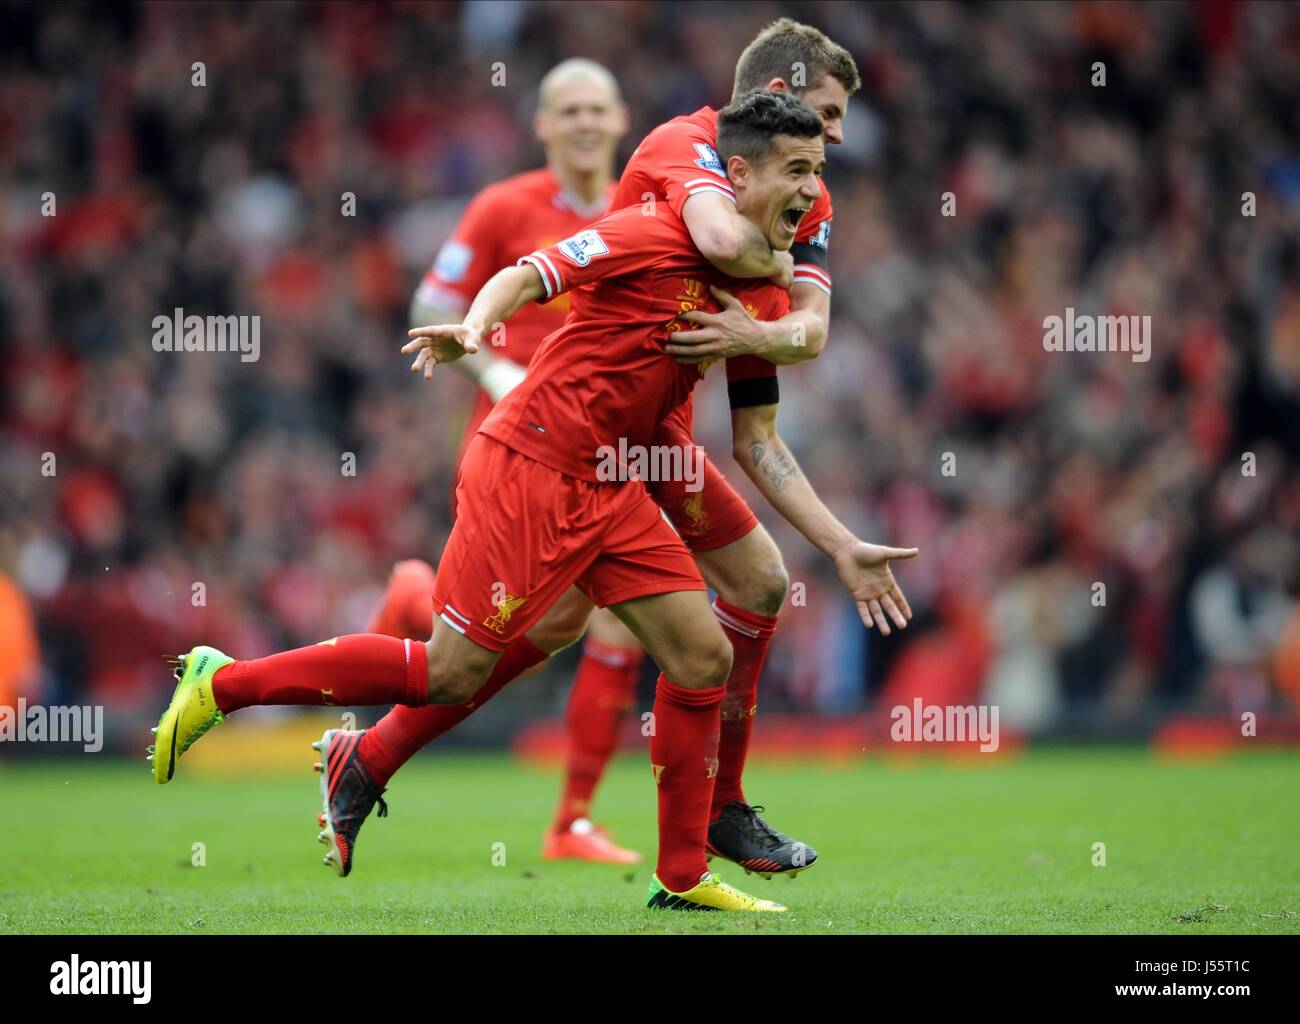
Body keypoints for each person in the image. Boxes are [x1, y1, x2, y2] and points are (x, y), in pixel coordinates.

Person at [150, 91, 916, 912]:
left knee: (701, 654)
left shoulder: (757, 288)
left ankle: (684, 876)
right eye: (797, 171)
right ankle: (223, 684)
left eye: (819, 172)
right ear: (737, 175)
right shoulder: (655, 229)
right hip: (533, 464)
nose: (812, 192)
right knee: (450, 673)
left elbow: (773, 393)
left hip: (616, 478)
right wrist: (476, 330)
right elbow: (528, 272)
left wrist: (832, 523)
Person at [363, 17, 864, 880]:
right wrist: (491, 369)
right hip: (533, 431)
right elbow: (439, 305)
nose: (591, 124)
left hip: (641, 435)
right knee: (532, 631)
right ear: (546, 125)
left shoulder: (776, 192)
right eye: (574, 109)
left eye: (603, 108)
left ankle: (626, 815)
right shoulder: (657, 167)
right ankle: (378, 728)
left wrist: (768, 320)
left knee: (702, 600)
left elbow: (794, 351)